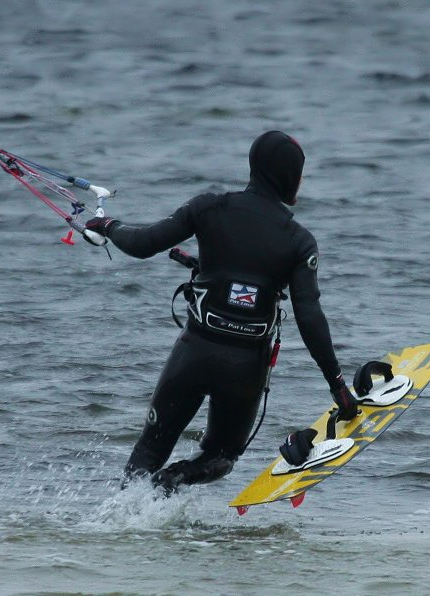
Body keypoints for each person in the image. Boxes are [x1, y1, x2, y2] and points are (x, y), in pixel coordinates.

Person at [85, 130, 358, 494]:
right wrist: (338, 385)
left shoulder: (209, 207)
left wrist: (108, 226)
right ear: (290, 176)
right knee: (221, 456)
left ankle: (120, 520)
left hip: (195, 350)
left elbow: (144, 242)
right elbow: (309, 317)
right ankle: (175, 478)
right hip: (244, 368)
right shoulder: (298, 240)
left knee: (149, 449)